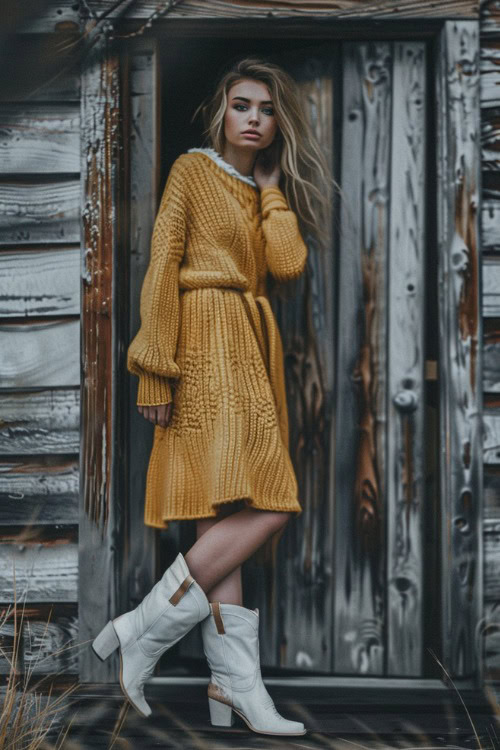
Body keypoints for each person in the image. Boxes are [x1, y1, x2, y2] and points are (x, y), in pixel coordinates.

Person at [92, 56, 333, 737]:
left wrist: (273, 191)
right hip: (200, 341)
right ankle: (145, 630)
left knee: (227, 512)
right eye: (242, 105)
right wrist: (154, 368)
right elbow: (161, 264)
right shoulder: (191, 171)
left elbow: (286, 265)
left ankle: (232, 685)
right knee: (268, 506)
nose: (254, 118)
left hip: (247, 347)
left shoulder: (260, 190)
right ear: (221, 112)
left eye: (265, 109)